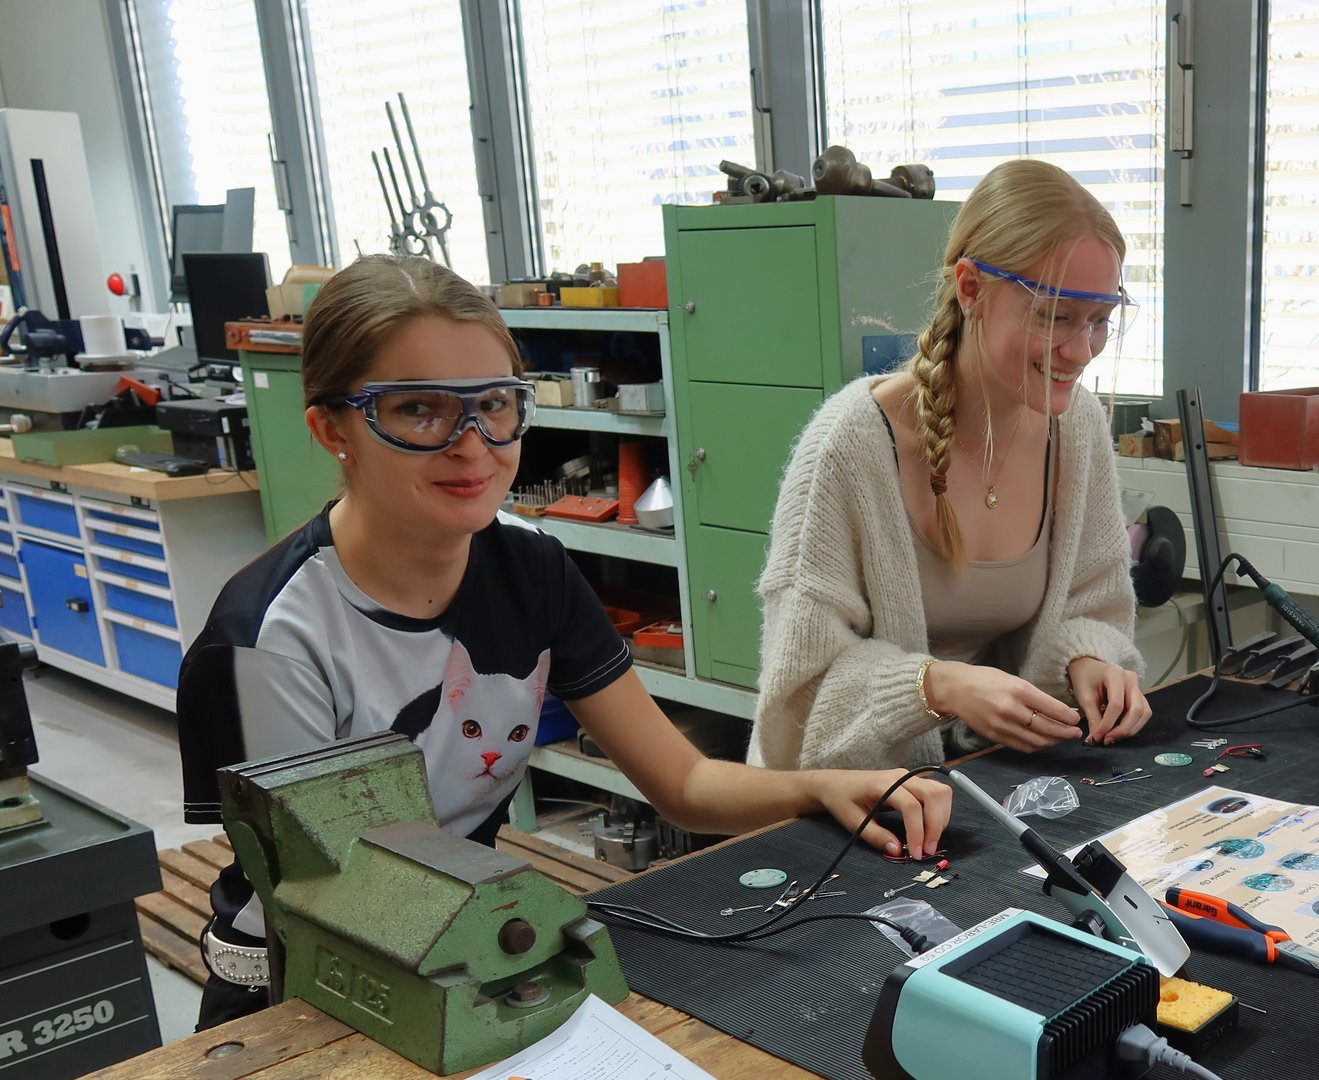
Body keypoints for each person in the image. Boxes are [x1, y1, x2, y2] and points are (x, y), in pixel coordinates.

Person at [175, 254, 952, 1029]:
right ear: (330, 429)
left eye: (495, 404)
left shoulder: (530, 567)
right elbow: (334, 897)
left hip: (465, 954)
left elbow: (680, 783)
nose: (473, 444)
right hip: (302, 993)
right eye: (418, 409)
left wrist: (820, 788)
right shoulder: (265, 642)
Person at [748, 159, 1152, 773]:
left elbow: (1092, 605)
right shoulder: (849, 446)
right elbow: (798, 694)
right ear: (971, 288)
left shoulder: (1078, 428)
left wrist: (1089, 658)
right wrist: (937, 687)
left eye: (1099, 320)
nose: (1080, 351)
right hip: (851, 798)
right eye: (1054, 316)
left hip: (990, 781)